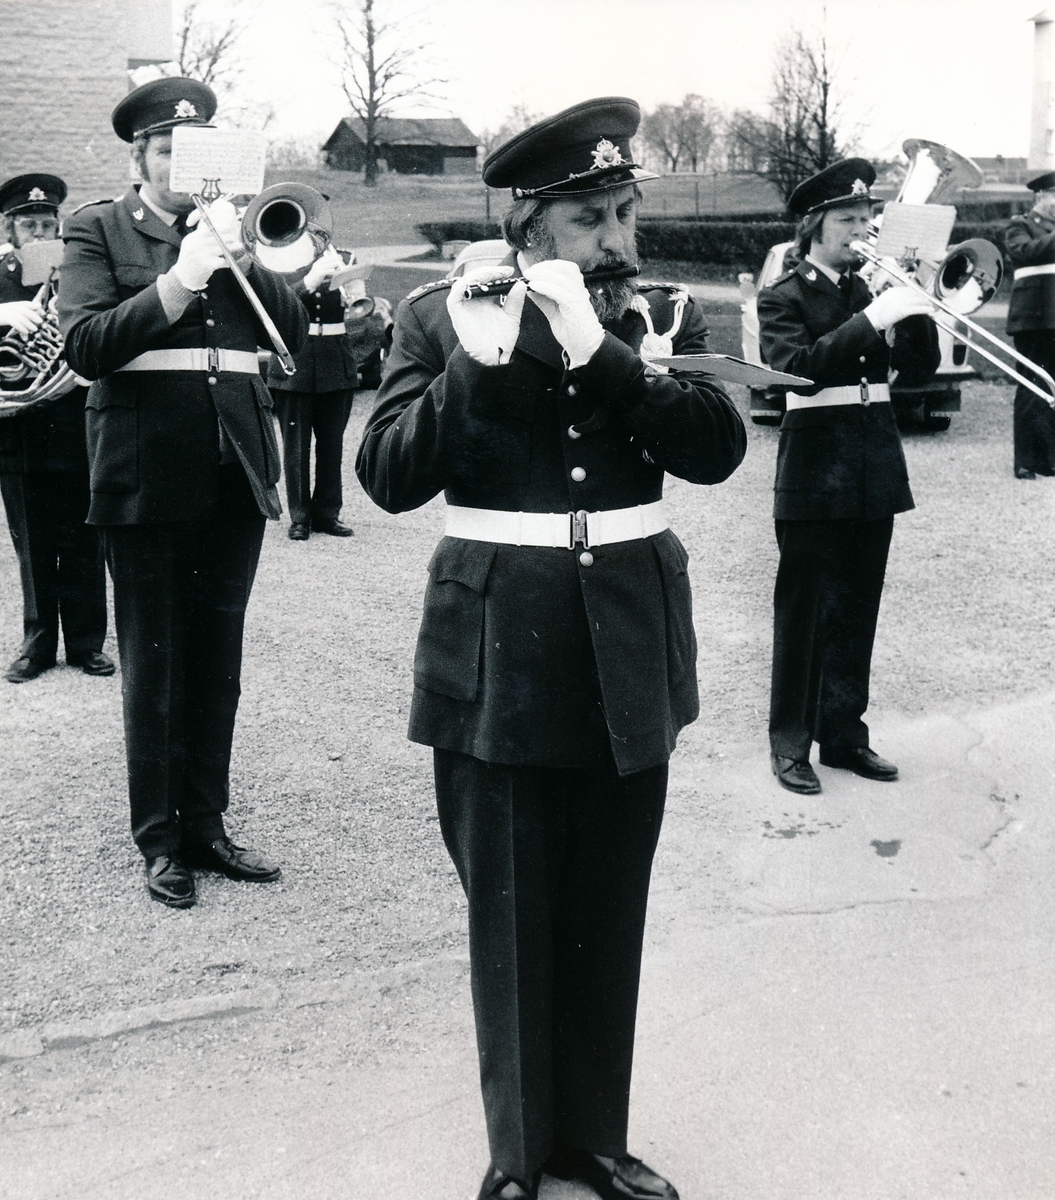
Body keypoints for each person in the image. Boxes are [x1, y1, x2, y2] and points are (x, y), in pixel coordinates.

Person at [356, 97, 747, 1200]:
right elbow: (386, 477)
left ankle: (594, 1140)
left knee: (606, 905)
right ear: (528, 228)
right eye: (589, 219)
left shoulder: (662, 309)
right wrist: (475, 365)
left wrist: (611, 358)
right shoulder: (441, 318)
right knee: (515, 911)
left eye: (623, 211)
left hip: (624, 637)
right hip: (499, 647)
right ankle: (520, 1155)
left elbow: (716, 451)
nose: (617, 238)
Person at [56, 77, 307, 909]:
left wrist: (236, 252)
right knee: (157, 663)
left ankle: (207, 824)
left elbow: (289, 335)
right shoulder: (95, 227)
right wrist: (177, 280)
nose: (180, 166)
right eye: (167, 151)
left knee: (218, 664)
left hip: (233, 469)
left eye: (195, 154)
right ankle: (160, 841)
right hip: (144, 472)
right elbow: (88, 345)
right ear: (141, 157)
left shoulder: (227, 232)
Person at [757, 158, 940, 796]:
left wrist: (917, 302)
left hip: (872, 472)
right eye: (848, 219)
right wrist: (877, 317)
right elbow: (797, 369)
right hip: (813, 475)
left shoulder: (873, 290)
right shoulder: (782, 295)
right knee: (805, 615)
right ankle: (790, 746)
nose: (861, 229)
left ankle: (844, 736)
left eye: (867, 218)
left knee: (858, 611)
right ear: (816, 225)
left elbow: (919, 368)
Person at [0, 172, 112, 684]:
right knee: (33, 540)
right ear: (11, 230)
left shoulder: (79, 270)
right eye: (29, 224)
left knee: (85, 533)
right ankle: (38, 641)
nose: (40, 232)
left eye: (48, 223)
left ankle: (88, 642)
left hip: (76, 421)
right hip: (18, 430)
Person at [267, 242, 358, 540]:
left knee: (332, 445)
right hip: (297, 361)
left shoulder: (344, 257)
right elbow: (274, 306)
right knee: (296, 446)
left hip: (335, 361)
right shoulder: (278, 260)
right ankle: (300, 517)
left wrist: (353, 290)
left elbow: (358, 314)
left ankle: (327, 514)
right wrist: (309, 281)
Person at [1002, 171, 1055, 479]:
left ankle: (1048, 457)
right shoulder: (1020, 225)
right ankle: (1024, 460)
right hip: (1033, 319)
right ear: (1040, 197)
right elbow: (1024, 251)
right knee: (1031, 387)